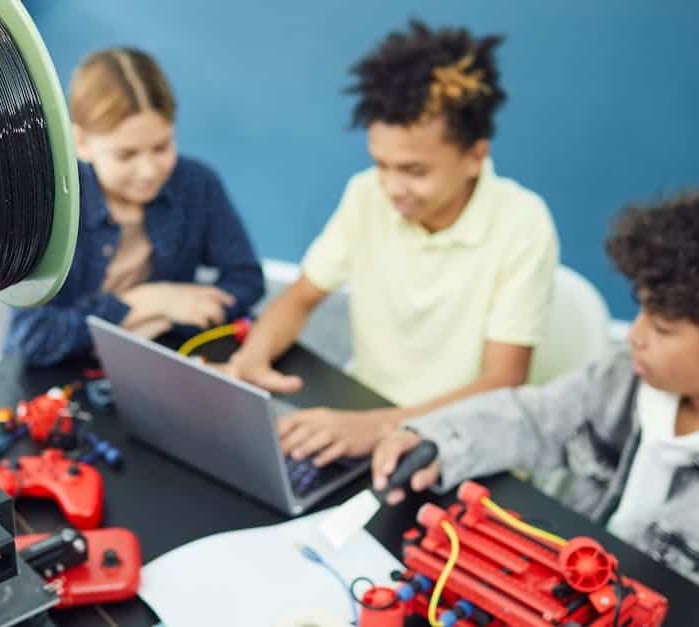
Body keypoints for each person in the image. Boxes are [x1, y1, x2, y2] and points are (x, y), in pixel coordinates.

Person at [371, 184, 699, 626]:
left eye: (663, 328)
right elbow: (535, 419)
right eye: (642, 312)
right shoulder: (630, 377)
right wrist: (436, 440)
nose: (635, 337)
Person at [225, 21, 559, 466]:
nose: (392, 187)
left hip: (459, 440)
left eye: (415, 171)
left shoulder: (524, 223)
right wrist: (253, 355)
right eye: (381, 164)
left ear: (475, 157)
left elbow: (503, 384)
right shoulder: (366, 194)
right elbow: (303, 295)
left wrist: (381, 426)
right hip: (366, 406)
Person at [5, 48, 264, 366]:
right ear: (81, 144)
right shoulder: (49, 207)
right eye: (126, 155)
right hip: (63, 373)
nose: (149, 171)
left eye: (161, 147)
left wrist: (172, 314)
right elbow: (33, 338)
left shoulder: (197, 184)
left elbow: (247, 279)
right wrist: (151, 302)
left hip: (158, 359)